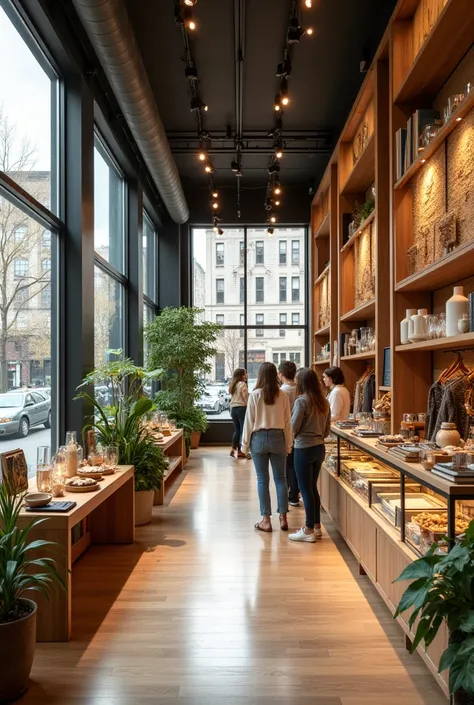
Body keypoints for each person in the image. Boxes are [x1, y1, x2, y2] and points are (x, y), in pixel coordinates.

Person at [242, 362, 292, 532]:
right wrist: (289, 443)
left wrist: (244, 445)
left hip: (259, 438)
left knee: (262, 480)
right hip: (279, 437)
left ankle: (266, 520)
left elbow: (248, 422)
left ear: (260, 375)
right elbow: (287, 423)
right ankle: (283, 518)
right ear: (275, 375)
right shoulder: (283, 395)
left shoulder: (255, 395)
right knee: (281, 479)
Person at [289, 367, 331, 543]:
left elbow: (293, 427)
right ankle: (316, 526)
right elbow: (327, 430)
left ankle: (307, 530)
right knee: (312, 487)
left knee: (305, 489)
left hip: (303, 448)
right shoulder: (324, 402)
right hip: (319, 448)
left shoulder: (301, 402)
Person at [278, 360, 300, 507]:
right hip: (301, 431)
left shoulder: (281, 392)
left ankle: (289, 495)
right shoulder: (301, 389)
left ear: (281, 374)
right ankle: (295, 495)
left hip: (286, 431)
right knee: (296, 465)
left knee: (287, 466)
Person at [229, 368, 249, 459]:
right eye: (245, 374)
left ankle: (233, 449)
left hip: (233, 409)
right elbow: (245, 396)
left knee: (237, 430)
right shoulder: (243, 384)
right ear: (241, 375)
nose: (246, 375)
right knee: (242, 430)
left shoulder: (233, 384)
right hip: (242, 408)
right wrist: (249, 404)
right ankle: (241, 451)